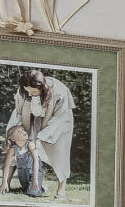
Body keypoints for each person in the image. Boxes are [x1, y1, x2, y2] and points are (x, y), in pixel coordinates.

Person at [9, 70, 76, 198]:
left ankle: (61, 188)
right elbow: (18, 113)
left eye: (33, 92)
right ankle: (7, 182)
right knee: (18, 144)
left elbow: (58, 119)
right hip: (32, 117)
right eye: (28, 91)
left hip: (59, 120)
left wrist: (40, 138)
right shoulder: (24, 91)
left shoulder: (59, 92)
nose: (30, 94)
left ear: (42, 87)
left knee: (60, 152)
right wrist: (15, 131)